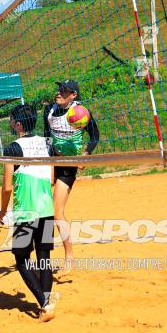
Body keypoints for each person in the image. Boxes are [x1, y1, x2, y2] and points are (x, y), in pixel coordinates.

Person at [0, 103, 56, 322]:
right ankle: (46, 302)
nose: (10, 123)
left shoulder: (13, 147)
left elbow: (7, 187)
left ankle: (45, 303)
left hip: (26, 211)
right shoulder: (47, 144)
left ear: (19, 124)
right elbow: (51, 180)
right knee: (44, 259)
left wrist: (2, 211)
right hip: (46, 209)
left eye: (12, 120)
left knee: (21, 259)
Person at [44, 79, 99, 278]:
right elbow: (46, 137)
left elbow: (95, 136)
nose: (59, 93)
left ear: (73, 95)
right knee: (42, 209)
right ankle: (43, 254)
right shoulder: (49, 111)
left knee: (57, 212)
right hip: (52, 162)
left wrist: (85, 154)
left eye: (64, 91)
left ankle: (69, 257)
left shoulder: (81, 112)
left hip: (68, 165)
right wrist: (49, 164)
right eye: (59, 89)